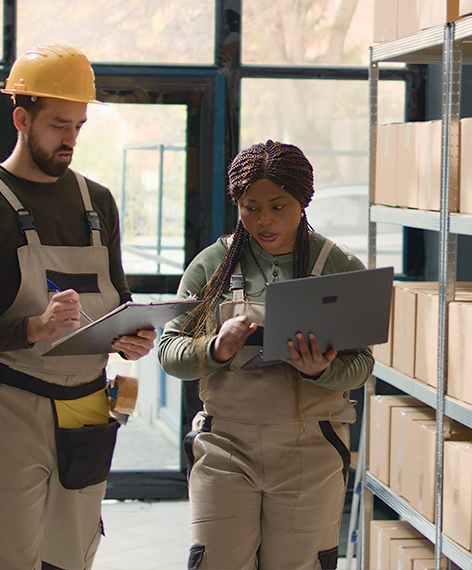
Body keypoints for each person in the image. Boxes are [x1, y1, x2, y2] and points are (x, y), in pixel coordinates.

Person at [0, 43, 156, 570]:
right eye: (59, 125)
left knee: (72, 555)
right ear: (21, 118)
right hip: (14, 405)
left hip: (87, 407)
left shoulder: (97, 202)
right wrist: (31, 328)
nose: (70, 140)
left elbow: (118, 297)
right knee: (5, 554)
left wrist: (132, 337)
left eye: (79, 126)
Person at [158, 140, 374, 570]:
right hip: (225, 448)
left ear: (302, 200)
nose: (264, 220)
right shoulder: (212, 265)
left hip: (311, 449)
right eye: (250, 207)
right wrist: (215, 349)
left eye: (278, 206)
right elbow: (169, 352)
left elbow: (362, 366)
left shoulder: (340, 267)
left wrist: (322, 371)